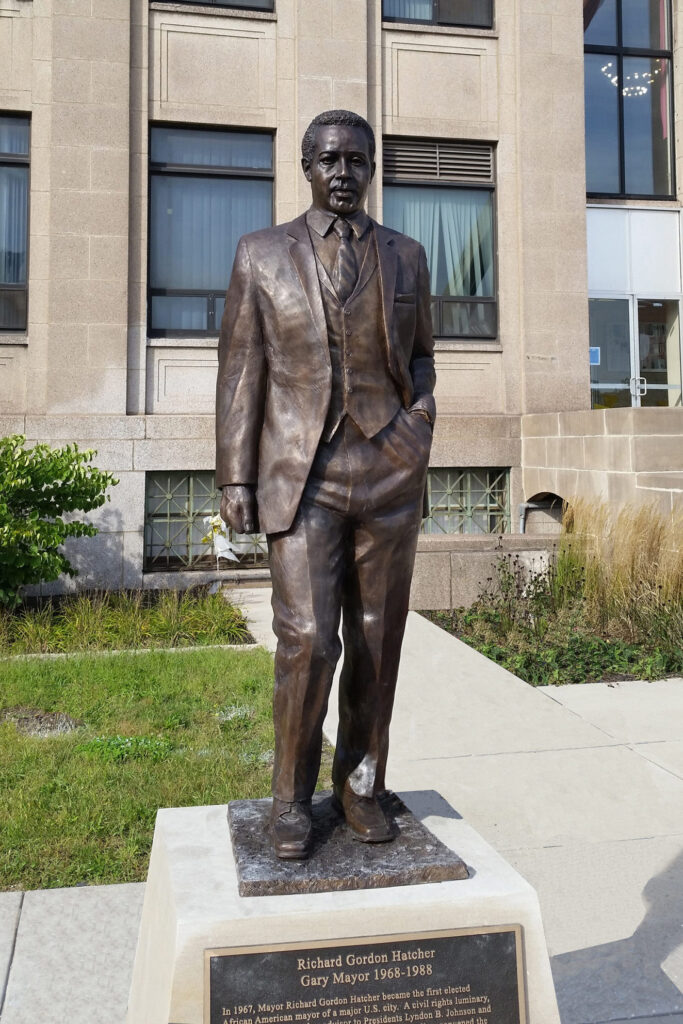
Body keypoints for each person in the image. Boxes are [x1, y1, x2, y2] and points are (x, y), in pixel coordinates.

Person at [216, 109, 435, 860]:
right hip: (300, 475)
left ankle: (360, 786)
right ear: (307, 167)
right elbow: (241, 370)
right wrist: (236, 476)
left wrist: (417, 428)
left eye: (357, 161)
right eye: (330, 160)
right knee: (308, 641)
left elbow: (422, 357)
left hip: (388, 472)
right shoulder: (260, 254)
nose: (344, 173)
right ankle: (289, 798)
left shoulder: (406, 256)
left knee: (378, 639)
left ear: (372, 169)